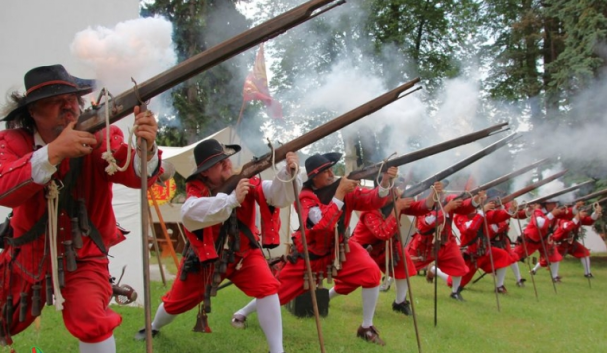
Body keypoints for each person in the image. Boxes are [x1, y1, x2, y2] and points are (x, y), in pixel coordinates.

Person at [0, 64, 161, 352]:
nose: (67, 105)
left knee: (90, 318)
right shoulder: (13, 142)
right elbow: (4, 188)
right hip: (26, 256)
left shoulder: (102, 136)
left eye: (71, 98)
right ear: (32, 113)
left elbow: (136, 174)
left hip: (84, 255)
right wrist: (53, 152)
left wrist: (147, 146)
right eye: (54, 101)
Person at [135, 138, 300, 353]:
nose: (226, 163)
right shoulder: (197, 190)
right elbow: (189, 213)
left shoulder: (246, 180)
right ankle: (154, 326)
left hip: (243, 255)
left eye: (225, 159)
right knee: (174, 303)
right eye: (217, 162)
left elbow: (276, 195)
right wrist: (231, 199)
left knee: (268, 289)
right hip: (205, 260)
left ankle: (277, 350)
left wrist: (288, 174)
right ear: (204, 173)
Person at [232, 152, 397, 346]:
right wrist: (340, 194)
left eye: (330, 169)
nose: (331, 173)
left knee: (371, 273)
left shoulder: (340, 188)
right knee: (275, 293)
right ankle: (241, 313)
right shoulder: (304, 197)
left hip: (339, 248)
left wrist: (385, 182)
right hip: (308, 255)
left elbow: (372, 201)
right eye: (325, 171)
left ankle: (366, 327)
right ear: (314, 177)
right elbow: (321, 227)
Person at [350, 182, 441, 316]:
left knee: (404, 266)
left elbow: (420, 207)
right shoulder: (369, 210)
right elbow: (382, 232)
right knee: (349, 281)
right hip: (365, 249)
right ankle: (329, 296)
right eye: (393, 189)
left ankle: (400, 302)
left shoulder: (395, 203)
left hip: (389, 244)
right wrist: (397, 208)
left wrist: (433, 194)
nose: (398, 191)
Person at [407, 191, 484, 301]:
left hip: (446, 242)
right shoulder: (424, 206)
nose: (441, 194)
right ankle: (388, 283)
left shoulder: (448, 200)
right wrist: (447, 208)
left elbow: (464, 207)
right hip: (424, 245)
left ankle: (455, 292)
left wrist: (475, 199)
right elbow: (429, 222)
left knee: (459, 266)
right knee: (405, 266)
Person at [513, 202, 564, 282]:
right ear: (547, 204)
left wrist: (575, 208)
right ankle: (516, 277)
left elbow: (569, 214)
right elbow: (540, 224)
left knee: (554, 255)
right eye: (553, 203)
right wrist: (552, 214)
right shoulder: (537, 211)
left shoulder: (553, 210)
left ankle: (555, 277)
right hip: (531, 239)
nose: (555, 205)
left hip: (544, 239)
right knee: (514, 256)